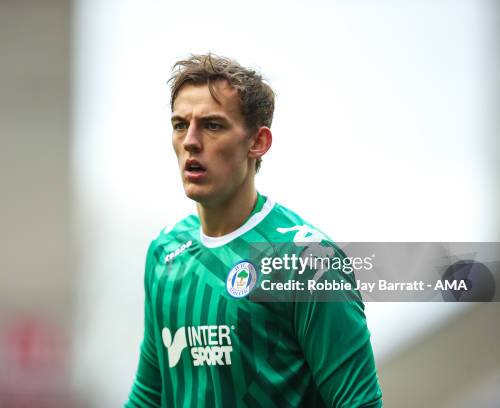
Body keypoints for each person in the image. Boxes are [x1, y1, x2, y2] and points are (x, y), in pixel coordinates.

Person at [126, 53, 383, 407]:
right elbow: (150, 397)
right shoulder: (165, 252)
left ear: (257, 142)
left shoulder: (306, 260)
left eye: (213, 125)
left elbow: (359, 403)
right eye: (180, 124)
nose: (190, 141)